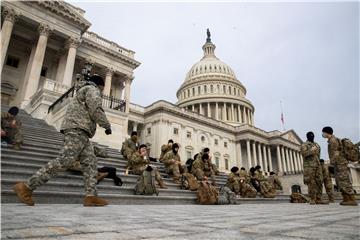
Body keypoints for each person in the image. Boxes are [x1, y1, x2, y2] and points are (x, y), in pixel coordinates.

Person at [12, 75, 112, 207]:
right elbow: (95, 109)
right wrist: (107, 125)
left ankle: (91, 196)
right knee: (65, 160)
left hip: (82, 131)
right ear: (100, 86)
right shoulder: (92, 90)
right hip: (77, 128)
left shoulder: (84, 90)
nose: (102, 91)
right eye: (102, 88)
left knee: (90, 163)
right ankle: (27, 186)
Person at [322, 126, 358, 206]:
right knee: (342, 180)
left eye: (323, 132)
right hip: (341, 162)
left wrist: (332, 162)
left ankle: (350, 199)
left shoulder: (333, 141)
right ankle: (346, 198)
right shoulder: (334, 140)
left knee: (343, 180)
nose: (322, 134)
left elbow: (336, 153)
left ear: (326, 132)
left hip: (339, 163)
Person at [300, 132, 328, 205]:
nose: (311, 137)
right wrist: (312, 150)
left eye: (312, 135)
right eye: (310, 136)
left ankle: (319, 198)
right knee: (311, 182)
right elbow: (304, 154)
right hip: (309, 166)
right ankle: (312, 198)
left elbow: (318, 155)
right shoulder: (304, 145)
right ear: (307, 136)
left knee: (319, 181)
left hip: (317, 165)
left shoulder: (317, 145)